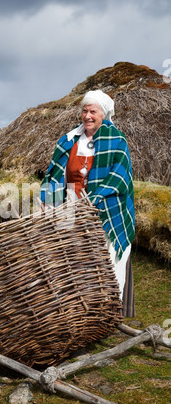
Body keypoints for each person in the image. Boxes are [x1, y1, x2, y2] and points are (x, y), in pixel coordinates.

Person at [40, 89, 135, 317]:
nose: (87, 116)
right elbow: (54, 174)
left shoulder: (116, 141)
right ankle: (82, 314)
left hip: (105, 211)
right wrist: (48, 200)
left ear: (104, 114)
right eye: (84, 110)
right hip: (72, 212)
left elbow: (120, 178)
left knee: (107, 264)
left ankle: (109, 313)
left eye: (93, 111)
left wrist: (93, 201)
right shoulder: (69, 140)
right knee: (77, 263)